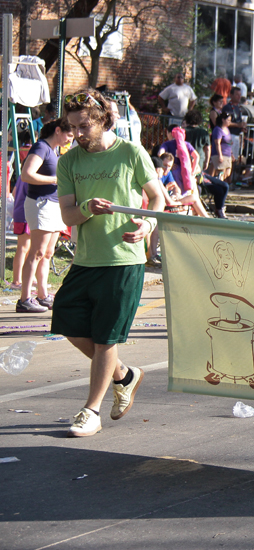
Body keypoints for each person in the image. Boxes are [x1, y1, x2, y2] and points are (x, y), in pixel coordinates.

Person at [51, 89, 166, 437]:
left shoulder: (130, 152)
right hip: (86, 260)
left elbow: (158, 197)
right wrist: (87, 208)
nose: (77, 135)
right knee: (67, 322)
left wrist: (147, 224)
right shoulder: (68, 161)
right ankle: (124, 376)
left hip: (124, 260)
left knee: (105, 337)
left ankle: (91, 410)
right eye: (72, 128)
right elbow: (68, 214)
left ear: (102, 119)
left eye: (84, 126)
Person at [16, 119, 74, 313]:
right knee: (37, 252)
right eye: (69, 135)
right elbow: (26, 174)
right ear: (58, 130)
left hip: (54, 204)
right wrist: (55, 179)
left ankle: (42, 294)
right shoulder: (41, 147)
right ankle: (25, 298)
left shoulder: (54, 150)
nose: (70, 139)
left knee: (48, 253)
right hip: (41, 204)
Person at [158, 125, 210, 218]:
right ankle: (208, 220)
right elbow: (196, 156)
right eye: (165, 165)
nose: (166, 168)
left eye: (168, 166)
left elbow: (160, 153)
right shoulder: (186, 144)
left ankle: (208, 220)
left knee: (194, 196)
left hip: (176, 181)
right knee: (193, 192)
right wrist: (192, 171)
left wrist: (176, 195)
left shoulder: (167, 145)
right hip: (184, 175)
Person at [210, 113, 234, 182]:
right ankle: (219, 185)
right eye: (228, 120)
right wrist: (220, 155)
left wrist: (232, 154)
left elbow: (229, 143)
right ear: (223, 120)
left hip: (228, 154)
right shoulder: (218, 129)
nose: (229, 122)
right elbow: (217, 143)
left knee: (228, 172)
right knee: (221, 173)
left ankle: (218, 183)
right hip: (220, 154)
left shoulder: (227, 129)